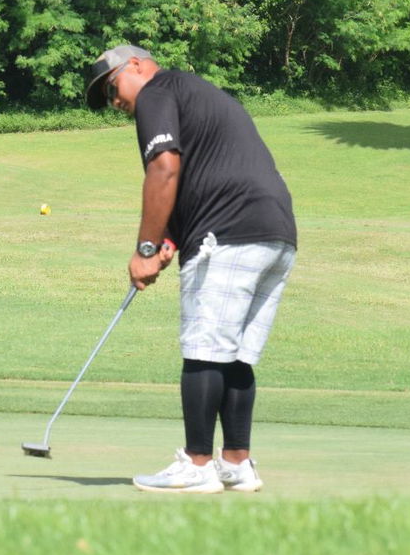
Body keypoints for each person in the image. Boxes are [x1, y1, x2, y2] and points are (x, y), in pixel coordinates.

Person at [88, 44, 297, 494]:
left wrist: (144, 248)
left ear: (138, 66)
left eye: (112, 88)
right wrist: (168, 241)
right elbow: (203, 176)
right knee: (235, 354)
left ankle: (197, 466)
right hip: (274, 232)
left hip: (229, 232)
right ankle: (236, 463)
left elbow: (164, 169)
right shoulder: (196, 92)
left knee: (204, 348)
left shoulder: (156, 92)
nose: (116, 103)